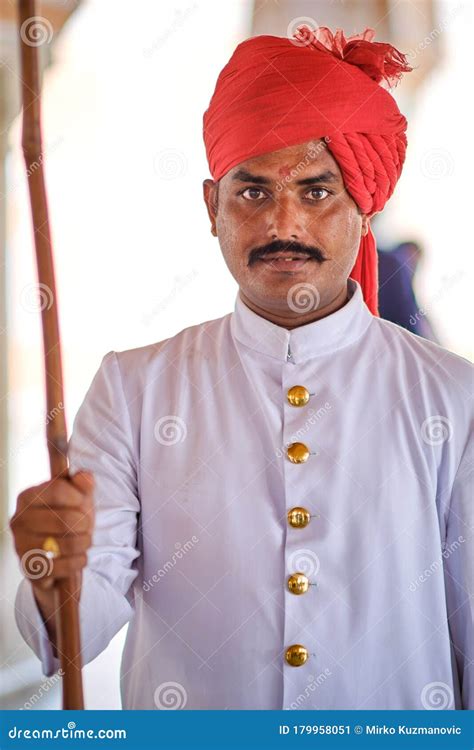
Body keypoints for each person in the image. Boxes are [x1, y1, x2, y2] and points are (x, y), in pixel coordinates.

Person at [10, 25, 472, 710]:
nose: (284, 223)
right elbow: (77, 631)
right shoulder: (134, 389)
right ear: (212, 207)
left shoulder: (451, 398)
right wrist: (54, 568)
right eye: (252, 193)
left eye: (317, 193)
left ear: (366, 208)